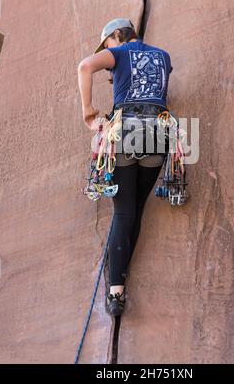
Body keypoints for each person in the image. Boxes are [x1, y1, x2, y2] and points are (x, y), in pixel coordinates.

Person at [77, 18, 173, 316]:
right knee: (136, 209)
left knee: (123, 211)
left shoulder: (118, 54)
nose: (108, 52)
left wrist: (88, 110)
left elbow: (84, 67)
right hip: (159, 134)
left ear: (118, 35)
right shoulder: (164, 56)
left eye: (108, 44)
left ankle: (116, 292)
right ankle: (119, 277)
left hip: (126, 131)